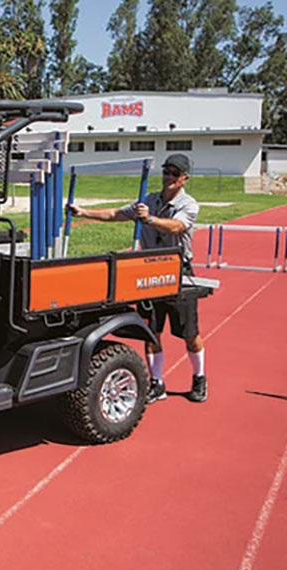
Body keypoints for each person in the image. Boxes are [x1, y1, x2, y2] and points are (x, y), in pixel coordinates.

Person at [68, 153, 207, 404]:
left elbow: (176, 227)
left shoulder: (189, 204)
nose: (169, 177)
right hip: (148, 272)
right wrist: (83, 212)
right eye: (167, 171)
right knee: (151, 332)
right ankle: (157, 383)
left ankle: (199, 377)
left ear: (184, 179)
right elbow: (115, 214)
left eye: (175, 174)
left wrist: (149, 219)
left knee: (189, 333)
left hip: (177, 272)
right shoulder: (149, 201)